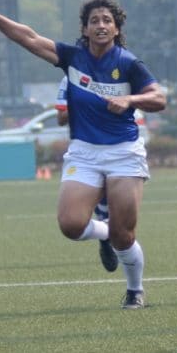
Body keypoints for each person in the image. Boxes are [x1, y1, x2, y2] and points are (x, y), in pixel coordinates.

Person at [0, 0, 167, 309]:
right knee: (71, 225)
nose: (101, 25)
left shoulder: (129, 63)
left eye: (107, 20)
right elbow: (29, 37)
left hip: (123, 152)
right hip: (84, 152)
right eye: (94, 21)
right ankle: (103, 234)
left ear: (116, 29)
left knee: (124, 235)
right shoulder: (72, 57)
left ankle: (135, 289)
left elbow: (159, 98)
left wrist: (131, 101)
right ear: (85, 29)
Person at [56, 76, 118, 273]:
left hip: (119, 147)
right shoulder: (69, 79)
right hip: (87, 151)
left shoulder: (123, 69)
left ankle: (110, 233)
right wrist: (85, 104)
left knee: (119, 203)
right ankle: (107, 235)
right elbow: (61, 118)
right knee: (93, 198)